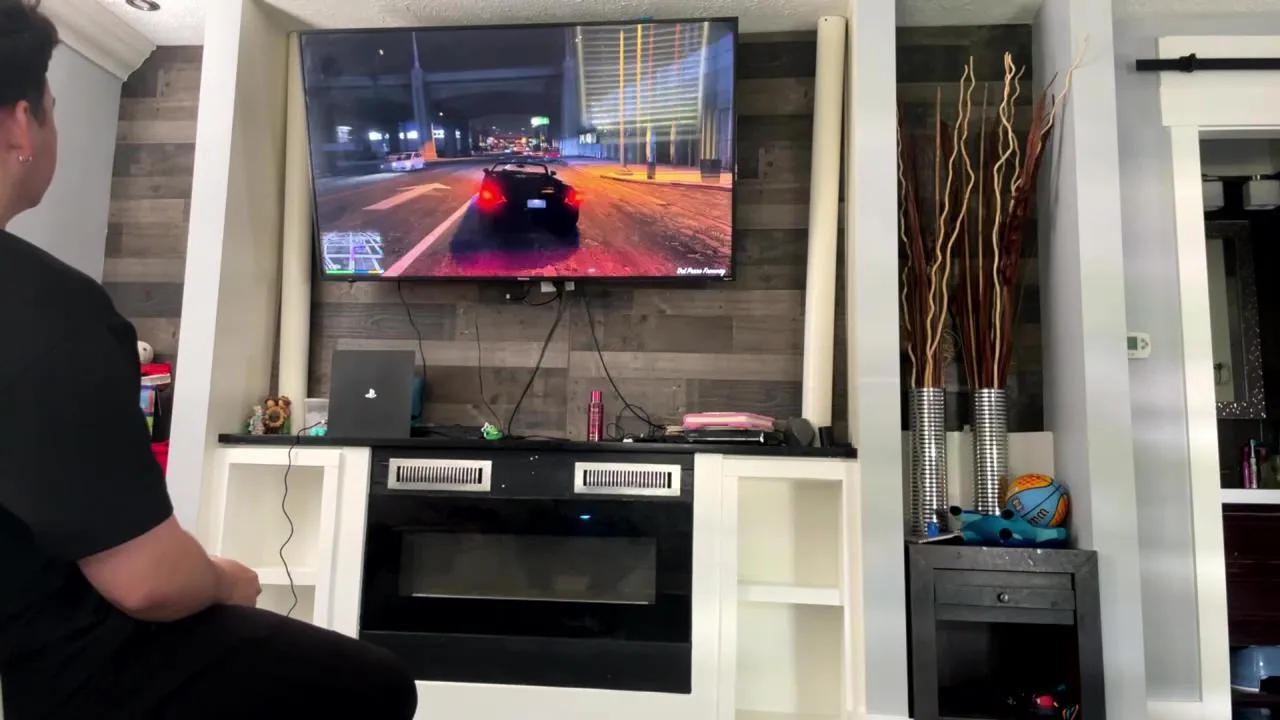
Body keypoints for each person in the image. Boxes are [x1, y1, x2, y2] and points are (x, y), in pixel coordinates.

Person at [0, 2, 419, 718]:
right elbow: (150, 584)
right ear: (20, 125)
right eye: (53, 110)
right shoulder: (49, 311)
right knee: (378, 687)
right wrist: (229, 579)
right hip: (55, 663)